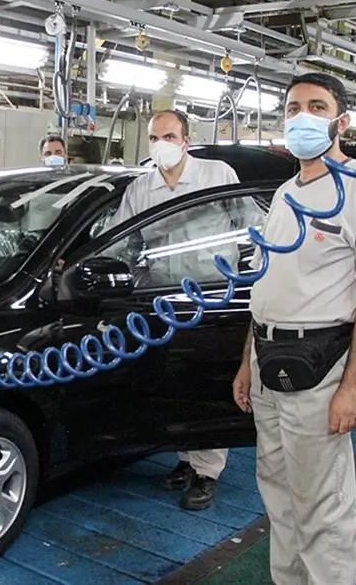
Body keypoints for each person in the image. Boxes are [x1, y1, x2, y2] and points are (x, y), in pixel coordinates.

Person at [232, 72, 356, 584]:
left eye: (316, 105)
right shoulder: (286, 192)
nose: (301, 116)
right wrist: (247, 362)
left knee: (321, 505)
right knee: (279, 494)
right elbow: (266, 284)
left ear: (342, 120)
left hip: (320, 367)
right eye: (292, 108)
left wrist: (353, 387)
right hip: (269, 365)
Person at [106, 109, 240, 511]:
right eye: (153, 137)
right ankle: (184, 459)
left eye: (168, 136)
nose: (160, 144)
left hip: (211, 297)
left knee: (207, 385)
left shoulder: (217, 175)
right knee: (173, 382)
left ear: (185, 139)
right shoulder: (142, 188)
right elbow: (122, 239)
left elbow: (250, 223)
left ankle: (206, 471)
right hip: (161, 300)